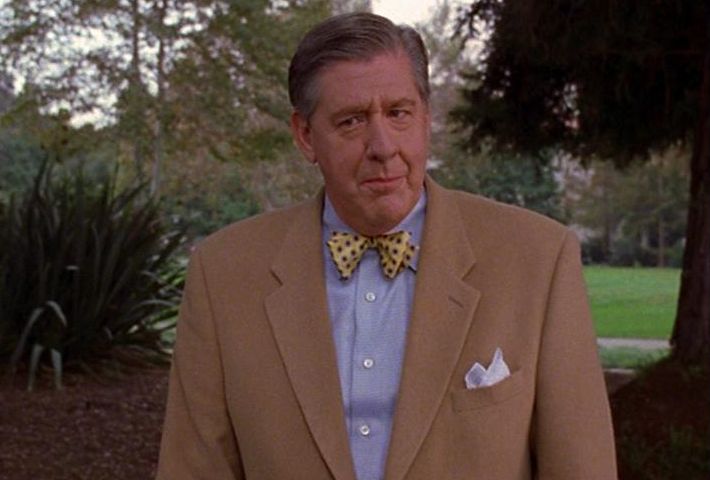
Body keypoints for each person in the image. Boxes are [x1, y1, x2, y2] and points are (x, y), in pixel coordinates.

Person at [157, 12, 617, 480]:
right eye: (352, 121)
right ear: (305, 136)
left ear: (426, 119)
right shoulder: (223, 273)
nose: (382, 146)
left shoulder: (538, 258)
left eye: (398, 113)